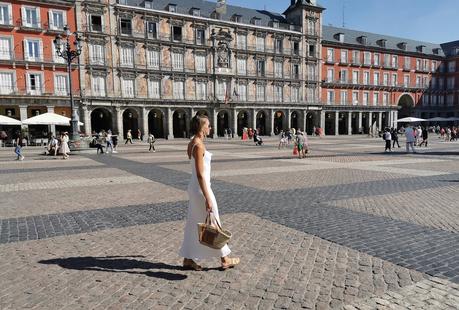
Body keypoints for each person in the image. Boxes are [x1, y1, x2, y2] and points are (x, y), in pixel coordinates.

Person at [179, 114, 240, 271]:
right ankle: (225, 259)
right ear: (201, 127)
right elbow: (200, 173)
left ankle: (188, 259)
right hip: (201, 188)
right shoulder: (198, 145)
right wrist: (207, 197)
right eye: (208, 125)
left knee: (194, 223)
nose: (210, 127)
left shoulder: (192, 143)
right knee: (214, 221)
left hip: (194, 187)